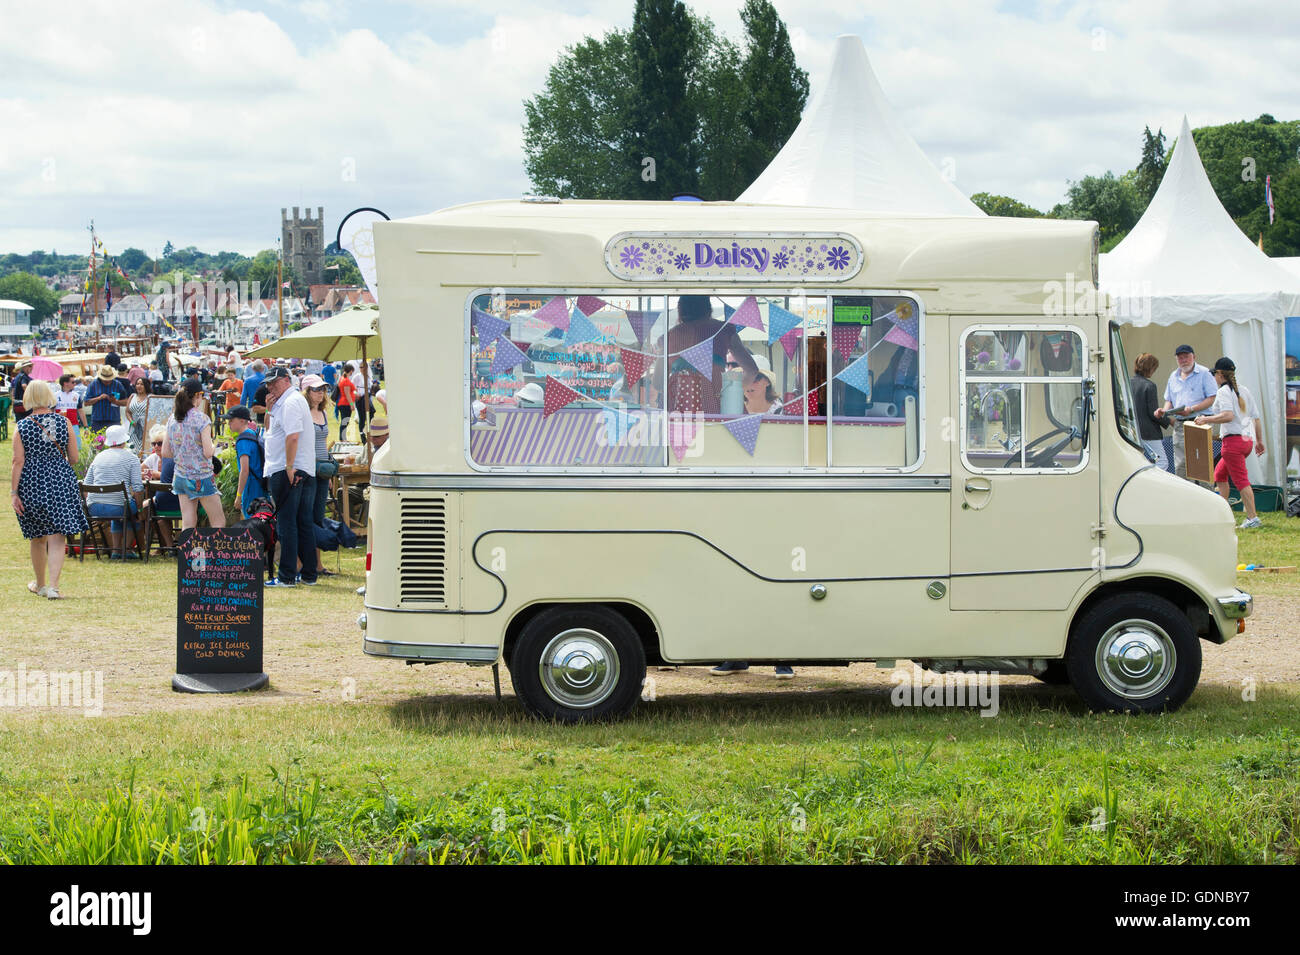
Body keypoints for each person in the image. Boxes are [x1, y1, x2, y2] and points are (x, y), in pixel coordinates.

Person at [10, 379, 89, 600]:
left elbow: (17, 461)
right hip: (60, 481)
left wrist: (13, 493)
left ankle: (41, 584)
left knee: (37, 536)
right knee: (57, 537)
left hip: (31, 483)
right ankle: (53, 587)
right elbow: (73, 457)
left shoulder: (23, 426)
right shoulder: (63, 422)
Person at [654, 295, 759, 415]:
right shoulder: (723, 330)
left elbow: (658, 382)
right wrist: (731, 390)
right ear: (708, 308)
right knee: (722, 432)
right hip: (719, 403)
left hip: (678, 407)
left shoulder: (669, 337)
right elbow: (752, 370)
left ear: (680, 310)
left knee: (679, 433)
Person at [263, 366, 317, 587]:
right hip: (297, 467)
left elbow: (292, 436)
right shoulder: (285, 402)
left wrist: (288, 466)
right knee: (301, 522)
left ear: (286, 380)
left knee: (288, 523)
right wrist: (269, 409)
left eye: (274, 383)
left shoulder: (291, 401)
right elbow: (270, 431)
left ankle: (287, 576)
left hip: (289, 468)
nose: (270, 387)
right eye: (268, 384)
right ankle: (308, 574)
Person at [1195, 357, 1264, 529]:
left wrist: (1205, 419)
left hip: (1233, 444)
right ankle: (1222, 513)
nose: (1214, 377)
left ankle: (1252, 517)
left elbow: (1228, 416)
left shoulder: (1223, 392)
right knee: (1219, 474)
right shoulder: (1244, 390)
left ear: (1219, 374)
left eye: (1214, 374)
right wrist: (1260, 441)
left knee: (1241, 480)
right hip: (1246, 441)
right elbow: (1255, 418)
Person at [161, 379, 225, 530]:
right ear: (197, 395)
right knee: (218, 521)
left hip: (181, 476)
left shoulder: (172, 419)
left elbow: (165, 452)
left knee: (188, 522)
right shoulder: (202, 419)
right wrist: (215, 446)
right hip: (201, 476)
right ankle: (214, 553)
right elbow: (208, 452)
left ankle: (186, 553)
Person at [1156, 345, 1217, 481]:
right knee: (1181, 464)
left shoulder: (1204, 373)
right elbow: (1169, 400)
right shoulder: (1173, 376)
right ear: (1176, 359)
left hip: (1199, 421)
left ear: (1194, 357)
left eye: (1186, 357)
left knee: (1202, 463)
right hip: (1179, 424)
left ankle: (1205, 498)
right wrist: (1164, 411)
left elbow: (1212, 398)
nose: (1183, 360)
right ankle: (1185, 498)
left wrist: (1192, 409)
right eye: (1180, 358)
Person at [83, 424, 144, 558]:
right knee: (132, 511)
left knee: (123, 507)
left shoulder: (98, 457)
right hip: (119, 507)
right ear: (124, 441)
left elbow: (86, 485)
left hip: (94, 508)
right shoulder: (132, 458)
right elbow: (138, 489)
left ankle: (116, 550)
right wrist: (139, 510)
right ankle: (126, 549)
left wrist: (92, 503)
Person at [1130, 353, 1170, 471]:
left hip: (1132, 431)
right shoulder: (1150, 386)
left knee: (1137, 462)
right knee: (1162, 462)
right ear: (1150, 368)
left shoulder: (1127, 382)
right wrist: (1168, 421)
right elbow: (1153, 413)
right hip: (1149, 432)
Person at [229, 405, 266, 519]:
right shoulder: (252, 433)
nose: (228, 423)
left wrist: (239, 496)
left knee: (251, 523)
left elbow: (244, 470)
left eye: (231, 420)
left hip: (250, 487)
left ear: (242, 420)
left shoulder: (242, 441)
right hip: (261, 485)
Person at [82, 365, 129, 433]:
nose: (107, 382)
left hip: (114, 419)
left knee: (115, 442)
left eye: (109, 379)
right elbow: (86, 403)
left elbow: (126, 402)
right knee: (97, 442)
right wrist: (99, 398)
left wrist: (115, 401)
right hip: (98, 421)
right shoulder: (93, 385)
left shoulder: (118, 385)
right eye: (105, 380)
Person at [54, 374, 84, 445]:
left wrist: (85, 426)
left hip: (74, 425)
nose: (75, 384)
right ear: (65, 383)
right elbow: (50, 412)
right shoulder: (55, 395)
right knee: (62, 446)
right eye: (73, 382)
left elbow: (80, 411)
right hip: (60, 426)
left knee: (77, 447)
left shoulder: (76, 395)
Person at [126, 376, 151, 453]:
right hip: (133, 427)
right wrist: (132, 422)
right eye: (137, 384)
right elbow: (127, 412)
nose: (139, 386)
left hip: (145, 428)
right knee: (132, 449)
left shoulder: (150, 397)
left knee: (144, 450)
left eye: (141, 384)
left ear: (146, 386)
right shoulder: (132, 396)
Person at [335, 363, 358, 436]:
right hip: (345, 403)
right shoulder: (346, 381)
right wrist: (352, 404)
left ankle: (343, 437)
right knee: (345, 421)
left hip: (342, 402)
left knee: (344, 421)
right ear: (351, 371)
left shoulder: (342, 378)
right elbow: (347, 394)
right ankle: (342, 438)